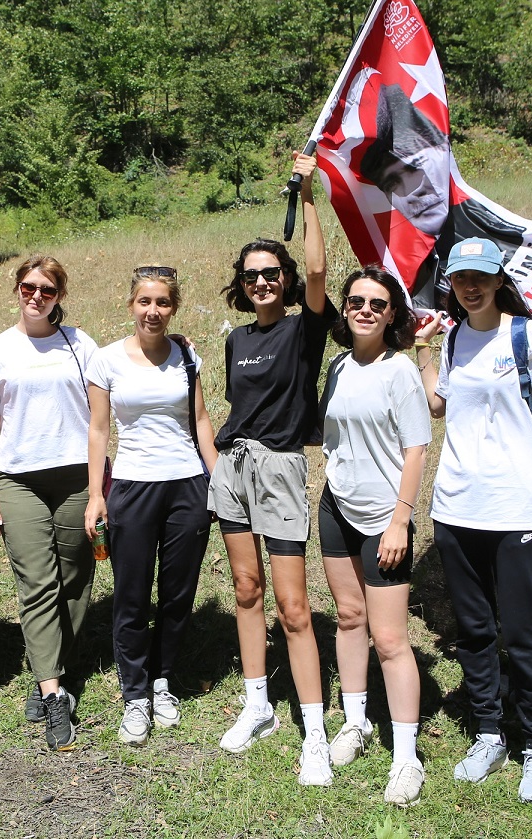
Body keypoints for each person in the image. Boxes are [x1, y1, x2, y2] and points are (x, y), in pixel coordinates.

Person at [413, 237, 532, 805]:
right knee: (475, 631)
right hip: (456, 504)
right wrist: (424, 351)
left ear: (499, 279)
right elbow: (439, 405)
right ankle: (488, 733)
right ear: (451, 284)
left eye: (481, 277)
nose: (471, 286)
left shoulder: (526, 336)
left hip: (516, 504)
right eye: (461, 278)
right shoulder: (456, 337)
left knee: (522, 633)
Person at [209, 152, 336, 785]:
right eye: (252, 274)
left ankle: (313, 729)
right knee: (246, 589)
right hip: (232, 469)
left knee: (294, 605)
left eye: (271, 273)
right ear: (242, 282)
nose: (263, 282)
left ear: (284, 279)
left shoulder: (303, 329)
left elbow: (318, 265)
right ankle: (258, 703)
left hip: (281, 469)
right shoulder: (235, 340)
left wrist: (307, 193)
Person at [0, 256, 98, 751]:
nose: (35, 295)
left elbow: (106, 408)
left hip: (76, 479)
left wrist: (177, 346)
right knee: (38, 581)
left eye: (46, 288)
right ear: (16, 289)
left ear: (60, 294)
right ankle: (53, 691)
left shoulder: (80, 345)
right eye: (27, 287)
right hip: (17, 480)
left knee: (77, 579)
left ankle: (50, 665)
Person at [84, 266, 218, 746]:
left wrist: (217, 478)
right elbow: (99, 429)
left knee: (178, 593)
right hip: (133, 487)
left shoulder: (186, 355)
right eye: (145, 301)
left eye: (162, 303)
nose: (153, 311)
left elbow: (200, 420)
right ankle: (135, 694)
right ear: (131, 305)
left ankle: (162, 682)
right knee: (132, 594)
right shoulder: (105, 360)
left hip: (187, 486)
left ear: (173, 307)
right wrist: (97, 494)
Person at [318, 265, 432, 806]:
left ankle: (407, 757)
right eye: (357, 301)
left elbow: (416, 449)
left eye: (378, 304)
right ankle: (357, 723)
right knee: (348, 617)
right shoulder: (338, 367)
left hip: (384, 517)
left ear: (393, 315)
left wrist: (400, 519)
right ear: (345, 308)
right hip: (336, 507)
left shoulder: (399, 372)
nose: (365, 310)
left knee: (389, 639)